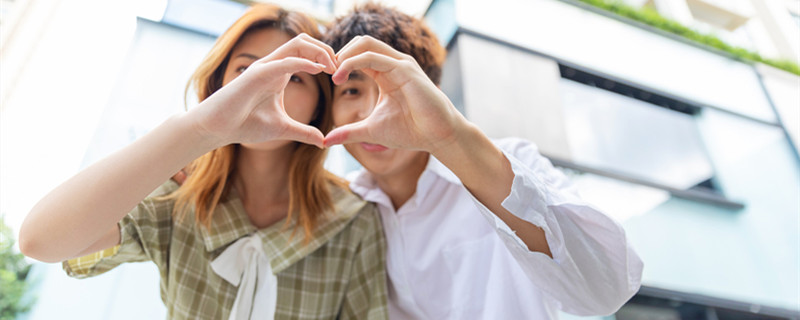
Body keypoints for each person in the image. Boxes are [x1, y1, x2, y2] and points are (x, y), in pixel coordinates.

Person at [19, 4, 388, 319]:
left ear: (319, 104)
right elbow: (40, 240)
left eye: (293, 77)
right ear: (219, 86)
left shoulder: (353, 220)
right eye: (246, 70)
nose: (267, 87)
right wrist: (199, 129)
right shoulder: (178, 195)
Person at [321, 3, 644, 319]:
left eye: (392, 88)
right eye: (351, 91)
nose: (374, 113)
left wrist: (451, 138)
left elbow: (604, 291)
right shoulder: (341, 210)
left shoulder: (512, 162)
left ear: (431, 93)